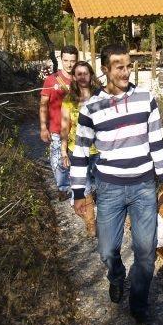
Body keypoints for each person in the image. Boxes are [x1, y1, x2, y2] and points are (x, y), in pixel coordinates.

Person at [72, 43, 163, 325]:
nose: (125, 71)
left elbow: (157, 141)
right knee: (107, 250)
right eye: (119, 66)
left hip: (144, 186)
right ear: (105, 69)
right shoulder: (91, 108)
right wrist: (79, 193)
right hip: (109, 189)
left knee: (146, 251)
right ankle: (117, 275)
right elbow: (81, 152)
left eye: (128, 65)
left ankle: (139, 304)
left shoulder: (146, 98)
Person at [60, 61, 101, 236]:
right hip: (77, 151)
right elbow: (64, 127)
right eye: (79, 74)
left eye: (86, 73)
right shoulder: (69, 100)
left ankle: (109, 222)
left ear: (91, 75)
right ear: (75, 77)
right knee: (85, 190)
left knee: (102, 187)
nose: (83, 77)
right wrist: (63, 151)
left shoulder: (100, 97)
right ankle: (91, 225)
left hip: (99, 151)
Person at [40, 45, 78, 200]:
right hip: (56, 129)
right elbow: (43, 104)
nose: (69, 64)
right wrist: (43, 127)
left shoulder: (81, 79)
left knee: (80, 163)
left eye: (72, 61)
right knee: (59, 163)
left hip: (78, 131)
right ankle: (62, 188)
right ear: (61, 59)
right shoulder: (51, 80)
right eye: (66, 60)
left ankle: (82, 192)